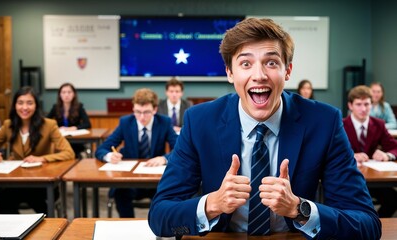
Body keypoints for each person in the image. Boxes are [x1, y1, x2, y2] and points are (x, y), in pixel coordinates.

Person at [148, 18, 381, 239]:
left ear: (287, 71)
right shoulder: (200, 122)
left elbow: (367, 223)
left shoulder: (324, 122)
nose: (259, 76)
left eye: (271, 63)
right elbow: (159, 215)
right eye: (245, 63)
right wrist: (213, 204)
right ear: (230, 72)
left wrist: (299, 209)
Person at [0, 86, 74, 214]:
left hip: (40, 182)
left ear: (36, 105)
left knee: (37, 201)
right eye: (20, 103)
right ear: (15, 105)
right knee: (3, 198)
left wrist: (42, 158)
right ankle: (12, 232)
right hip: (14, 181)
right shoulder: (8, 125)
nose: (24, 108)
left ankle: (44, 231)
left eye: (29, 103)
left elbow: (68, 152)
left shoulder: (49, 125)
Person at [95, 88, 178, 217]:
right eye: (138, 112)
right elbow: (102, 149)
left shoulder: (164, 122)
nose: (142, 117)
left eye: (146, 112)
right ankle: (130, 230)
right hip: (130, 181)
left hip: (155, 182)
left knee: (173, 193)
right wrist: (110, 155)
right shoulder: (125, 122)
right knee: (120, 192)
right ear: (133, 109)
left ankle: (156, 229)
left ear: (155, 110)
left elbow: (181, 149)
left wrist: (164, 158)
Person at [343, 85, 397, 217]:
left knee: (394, 200)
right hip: (349, 179)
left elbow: (394, 146)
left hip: (374, 180)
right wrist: (351, 156)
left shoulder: (379, 124)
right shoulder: (340, 124)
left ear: (371, 105)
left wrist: (387, 155)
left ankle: (376, 223)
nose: (363, 109)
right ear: (350, 106)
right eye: (359, 104)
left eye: (367, 104)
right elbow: (331, 152)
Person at [47, 82, 91, 158]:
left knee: (75, 153)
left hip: (76, 141)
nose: (66, 95)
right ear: (60, 95)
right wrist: (55, 128)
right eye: (63, 92)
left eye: (69, 92)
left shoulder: (79, 107)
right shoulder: (55, 107)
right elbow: (46, 121)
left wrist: (74, 128)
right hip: (60, 139)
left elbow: (87, 124)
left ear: (74, 94)